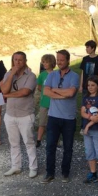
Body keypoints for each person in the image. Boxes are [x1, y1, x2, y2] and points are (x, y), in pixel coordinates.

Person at [42, 49, 79, 183]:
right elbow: (46, 91)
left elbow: (71, 93)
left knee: (68, 148)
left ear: (68, 60)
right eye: (58, 60)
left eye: (62, 60)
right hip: (53, 116)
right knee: (50, 146)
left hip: (69, 118)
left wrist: (55, 90)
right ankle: (49, 173)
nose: (59, 62)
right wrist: (62, 94)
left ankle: (65, 173)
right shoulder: (52, 75)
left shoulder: (74, 76)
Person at [0, 51, 38, 178]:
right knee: (13, 142)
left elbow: (25, 92)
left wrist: (7, 95)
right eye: (15, 60)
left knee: (29, 142)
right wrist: (11, 74)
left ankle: (33, 167)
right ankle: (16, 166)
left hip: (25, 114)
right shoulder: (8, 74)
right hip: (10, 114)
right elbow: (4, 89)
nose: (17, 62)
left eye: (20, 60)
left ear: (25, 61)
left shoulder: (31, 76)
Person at [81, 75, 98, 188]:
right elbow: (82, 112)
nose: (90, 87)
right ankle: (93, 173)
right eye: (88, 85)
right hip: (88, 131)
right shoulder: (85, 98)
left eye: (93, 85)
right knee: (89, 152)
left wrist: (88, 125)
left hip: (97, 130)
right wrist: (91, 117)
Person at [37, 54, 56, 148]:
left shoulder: (56, 74)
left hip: (54, 103)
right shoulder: (42, 74)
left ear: (51, 63)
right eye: (43, 62)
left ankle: (52, 139)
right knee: (42, 122)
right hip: (44, 102)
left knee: (52, 123)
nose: (44, 64)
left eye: (46, 62)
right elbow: (39, 86)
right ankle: (38, 139)